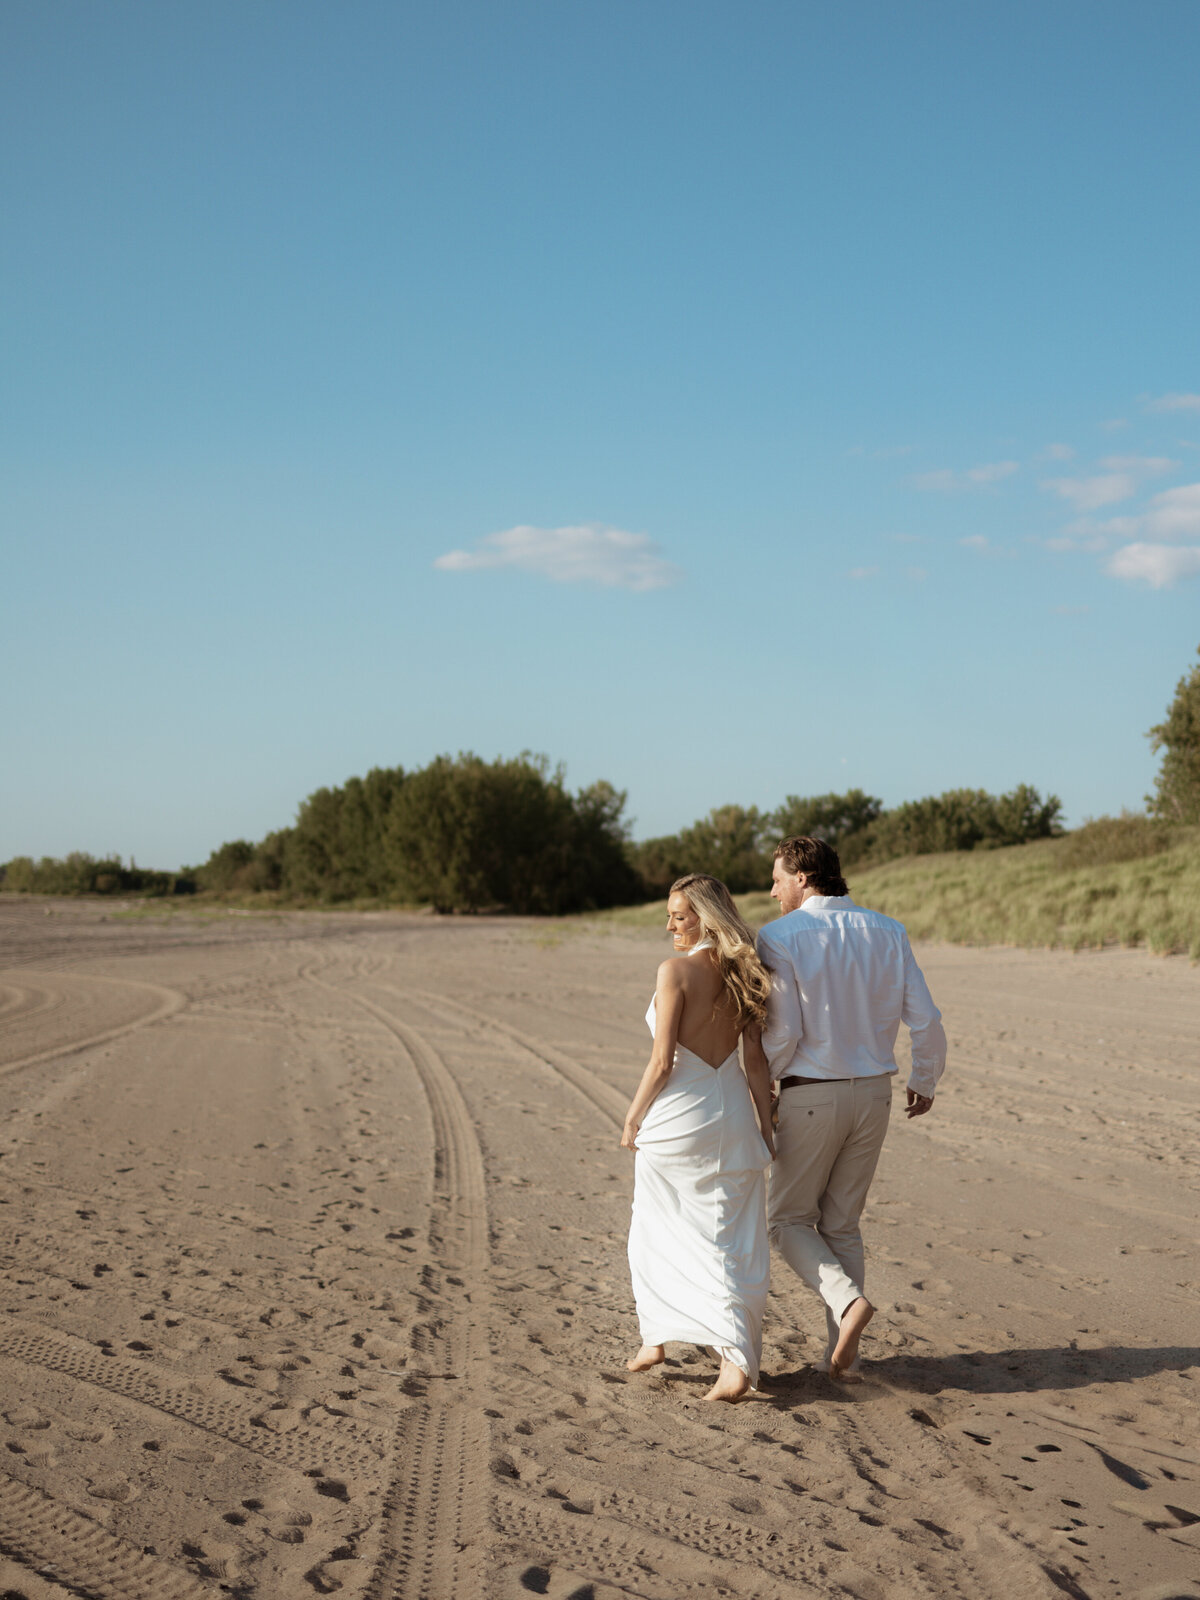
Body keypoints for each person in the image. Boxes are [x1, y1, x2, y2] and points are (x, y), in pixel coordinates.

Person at [757, 836, 946, 1382]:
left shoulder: (781, 936)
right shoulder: (888, 930)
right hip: (874, 1094)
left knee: (788, 1220)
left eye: (777, 879)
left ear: (803, 877)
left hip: (811, 1091)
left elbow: (786, 1027)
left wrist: (762, 1083)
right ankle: (846, 1360)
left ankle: (846, 1304)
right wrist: (925, 1078)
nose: (773, 891)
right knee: (841, 1224)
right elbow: (926, 1018)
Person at [621, 873, 776, 1402]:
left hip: (679, 1120)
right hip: (730, 1111)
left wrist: (633, 1116)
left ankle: (703, 1354)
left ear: (705, 918)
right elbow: (754, 1061)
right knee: (727, 1236)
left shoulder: (675, 972)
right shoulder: (745, 970)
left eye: (679, 916)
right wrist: (765, 1125)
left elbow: (662, 1060)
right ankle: (664, 1340)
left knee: (654, 1230)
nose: (670, 925)